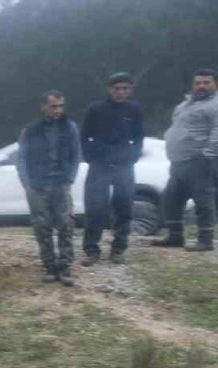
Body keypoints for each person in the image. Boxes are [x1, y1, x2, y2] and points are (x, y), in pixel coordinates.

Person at [17, 90, 81, 286]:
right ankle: (49, 266)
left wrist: (69, 179)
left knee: (66, 224)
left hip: (61, 183)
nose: (58, 110)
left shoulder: (70, 128)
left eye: (61, 106)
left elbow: (75, 156)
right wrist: (27, 185)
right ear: (43, 106)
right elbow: (22, 159)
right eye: (54, 106)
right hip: (38, 185)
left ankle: (65, 265)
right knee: (41, 227)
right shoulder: (31, 130)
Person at [80, 72, 144, 265]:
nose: (121, 92)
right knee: (96, 207)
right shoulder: (96, 108)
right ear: (110, 89)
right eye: (117, 89)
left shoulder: (134, 109)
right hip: (99, 165)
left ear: (130, 90)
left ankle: (118, 249)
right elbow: (84, 136)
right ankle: (92, 250)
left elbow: (139, 136)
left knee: (124, 206)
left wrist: (133, 156)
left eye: (125, 89)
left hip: (124, 165)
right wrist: (91, 156)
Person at [155, 68, 218, 251]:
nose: (201, 86)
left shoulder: (215, 105)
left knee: (203, 200)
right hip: (178, 161)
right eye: (198, 83)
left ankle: (205, 240)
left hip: (200, 160)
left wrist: (208, 154)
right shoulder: (185, 104)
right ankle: (175, 237)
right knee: (171, 198)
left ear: (215, 83)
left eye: (206, 83)